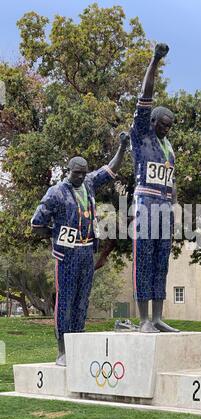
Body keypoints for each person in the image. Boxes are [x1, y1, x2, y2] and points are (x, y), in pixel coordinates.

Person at [31, 132, 129, 365]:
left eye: (84, 172)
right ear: (68, 171)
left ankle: (78, 345)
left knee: (82, 301)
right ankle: (63, 350)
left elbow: (110, 169)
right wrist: (55, 236)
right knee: (65, 301)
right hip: (67, 254)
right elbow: (36, 223)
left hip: (87, 252)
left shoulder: (89, 184)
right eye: (77, 172)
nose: (81, 176)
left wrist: (123, 147)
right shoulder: (56, 192)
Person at [130, 43, 179, 333]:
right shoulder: (142, 136)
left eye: (169, 126)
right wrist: (155, 60)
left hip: (165, 207)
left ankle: (158, 317)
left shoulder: (168, 147)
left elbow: (171, 181)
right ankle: (144, 319)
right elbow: (145, 96)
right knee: (144, 260)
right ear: (152, 122)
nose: (166, 129)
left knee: (162, 260)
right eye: (162, 125)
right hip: (144, 204)